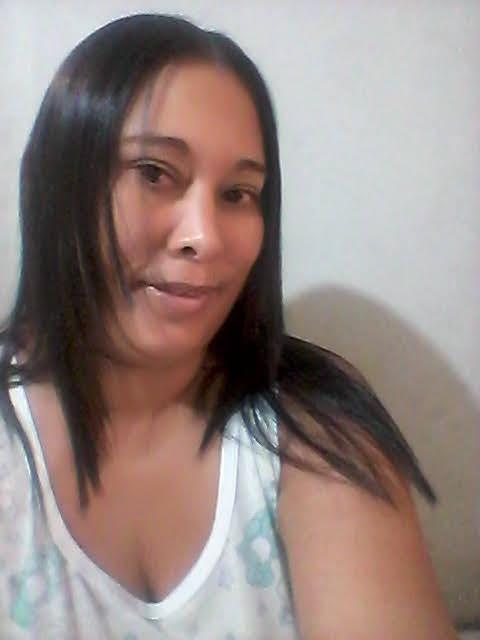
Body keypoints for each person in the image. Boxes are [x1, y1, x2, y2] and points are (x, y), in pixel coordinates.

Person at [0, 13, 457, 640]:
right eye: (154, 173)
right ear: (60, 184)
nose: (205, 237)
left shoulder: (312, 426)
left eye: (239, 193)